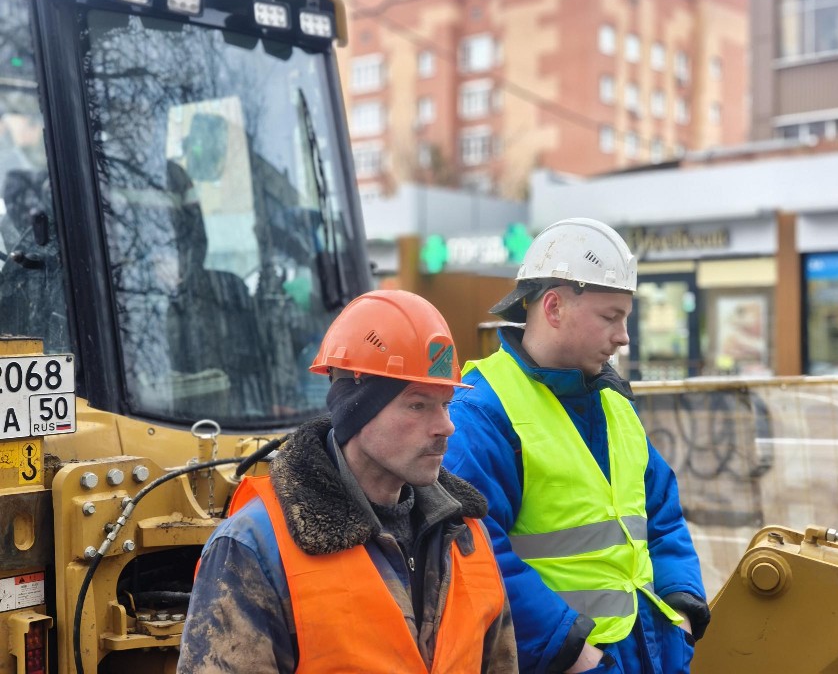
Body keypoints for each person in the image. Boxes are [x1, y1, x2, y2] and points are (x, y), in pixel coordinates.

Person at [179, 289, 518, 673]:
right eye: (417, 404)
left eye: (445, 404)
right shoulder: (255, 545)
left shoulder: (467, 534)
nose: (446, 426)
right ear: (357, 410)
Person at [443, 218, 710, 673]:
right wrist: (571, 653)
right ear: (553, 307)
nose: (624, 336)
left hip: (649, 653)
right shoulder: (483, 410)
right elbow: (477, 553)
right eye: (611, 317)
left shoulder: (613, 402)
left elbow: (662, 517)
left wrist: (681, 609)